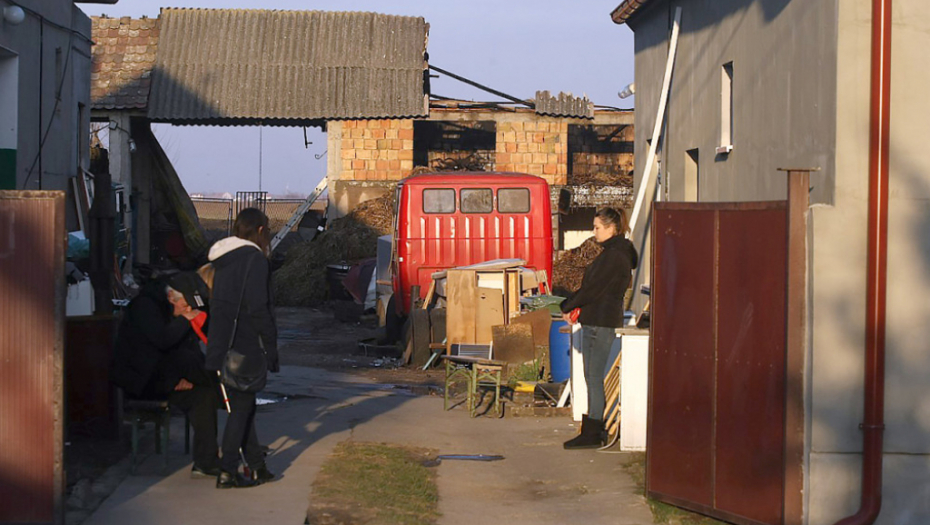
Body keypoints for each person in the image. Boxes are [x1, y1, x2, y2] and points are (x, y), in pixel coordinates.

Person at [111, 273, 222, 477]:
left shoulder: (172, 308)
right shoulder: (144, 307)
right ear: (172, 297)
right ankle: (225, 388)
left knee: (204, 395)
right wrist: (186, 321)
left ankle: (206, 462)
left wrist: (181, 377)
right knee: (191, 363)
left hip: (167, 375)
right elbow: (159, 343)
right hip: (142, 380)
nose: (188, 311)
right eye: (186, 306)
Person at [206, 208, 279, 489]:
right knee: (241, 410)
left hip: (221, 344)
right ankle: (227, 471)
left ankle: (258, 468)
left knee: (243, 407)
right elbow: (260, 309)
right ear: (260, 231)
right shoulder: (255, 261)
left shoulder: (221, 260)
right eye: (268, 230)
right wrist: (271, 347)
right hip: (246, 345)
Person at [559, 208, 638, 450]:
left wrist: (567, 304)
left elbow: (593, 289)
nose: (594, 232)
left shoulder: (614, 256)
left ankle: (594, 431)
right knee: (591, 377)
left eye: (597, 227)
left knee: (593, 377)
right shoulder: (615, 253)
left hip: (600, 322)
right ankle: (592, 429)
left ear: (612, 228)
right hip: (599, 320)